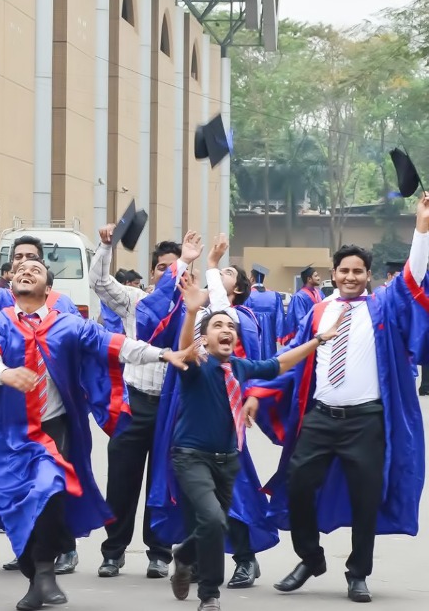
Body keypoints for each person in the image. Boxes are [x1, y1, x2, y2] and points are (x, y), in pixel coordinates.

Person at [0, 244, 193, 611]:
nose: (26, 271)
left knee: (49, 489)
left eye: (35, 270)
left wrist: (164, 353)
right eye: (20, 270)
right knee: (17, 509)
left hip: (51, 429)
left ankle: (44, 571)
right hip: (7, 433)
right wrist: (4, 373)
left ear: (48, 288)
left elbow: (117, 345)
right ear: (12, 283)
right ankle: (35, 578)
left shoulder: (67, 324)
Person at [245, 201, 429, 603]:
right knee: (297, 486)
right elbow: (293, 359)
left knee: (366, 499)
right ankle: (310, 558)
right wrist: (258, 392)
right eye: (344, 270)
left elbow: (413, 278)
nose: (350, 277)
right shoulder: (317, 312)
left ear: (368, 276)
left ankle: (358, 573)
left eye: (358, 271)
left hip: (366, 421)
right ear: (333, 274)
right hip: (321, 418)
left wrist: (422, 229)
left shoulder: (383, 307)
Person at [165, 267, 337, 611]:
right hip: (191, 457)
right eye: (218, 326)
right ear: (205, 339)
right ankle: (210, 595)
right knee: (213, 519)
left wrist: (317, 341)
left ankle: (184, 555)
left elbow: (279, 363)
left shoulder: (240, 367)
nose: (227, 330)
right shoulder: (196, 366)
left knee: (215, 522)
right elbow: (184, 350)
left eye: (231, 327)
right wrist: (192, 312)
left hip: (227, 460)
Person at [147, 236, 277, 594]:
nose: (219, 277)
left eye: (228, 274)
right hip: (185, 406)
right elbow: (166, 314)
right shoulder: (196, 314)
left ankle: (245, 557)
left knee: (235, 490)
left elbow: (252, 364)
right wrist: (188, 263)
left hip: (223, 412)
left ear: (237, 292)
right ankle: (196, 561)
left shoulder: (237, 321)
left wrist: (212, 264)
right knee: (191, 491)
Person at [0, 223, 82, 574]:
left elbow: (79, 346)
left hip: (51, 413)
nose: (24, 264)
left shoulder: (61, 304)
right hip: (10, 414)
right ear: (10, 269)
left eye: (32, 259)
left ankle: (63, 549)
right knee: (17, 487)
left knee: (52, 483)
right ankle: (28, 551)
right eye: (18, 259)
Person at [88, 226, 187, 578]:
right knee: (121, 482)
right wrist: (106, 245)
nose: (169, 273)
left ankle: (159, 552)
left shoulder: (194, 307)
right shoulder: (135, 301)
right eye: (162, 267)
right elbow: (99, 283)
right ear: (152, 272)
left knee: (164, 481)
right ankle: (113, 552)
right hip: (134, 405)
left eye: (176, 267)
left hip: (172, 409)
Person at [281, 265, 324, 345]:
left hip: (319, 333)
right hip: (307, 336)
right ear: (309, 279)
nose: (319, 278)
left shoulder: (319, 293)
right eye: (316, 276)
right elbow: (300, 320)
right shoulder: (299, 297)